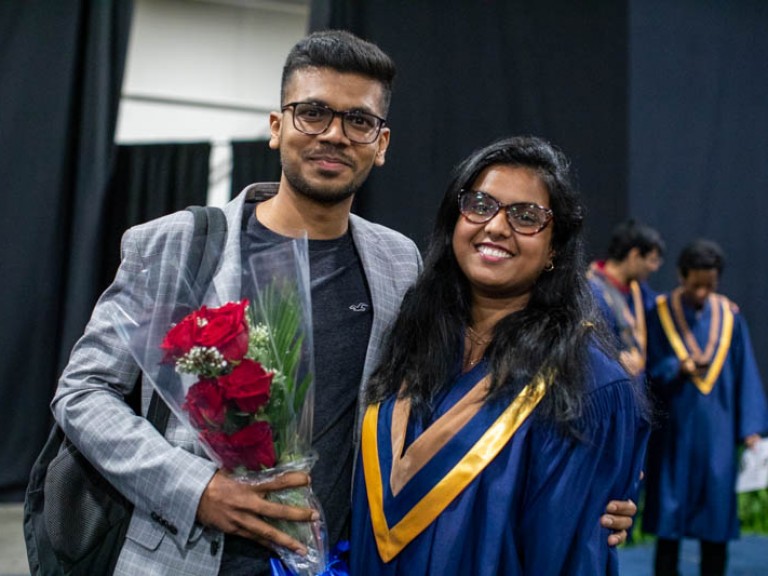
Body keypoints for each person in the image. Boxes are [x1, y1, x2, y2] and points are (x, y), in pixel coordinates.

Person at [51, 31, 637, 575]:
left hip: (332, 563)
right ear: (277, 126)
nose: (334, 134)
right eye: (313, 112)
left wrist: (595, 501)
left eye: (358, 120)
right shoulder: (179, 244)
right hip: (182, 558)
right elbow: (82, 393)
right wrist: (196, 488)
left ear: (380, 144)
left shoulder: (397, 262)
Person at [350, 136, 650, 575]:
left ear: (554, 249)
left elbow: (566, 558)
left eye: (526, 217)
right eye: (480, 205)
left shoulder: (585, 384)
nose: (495, 226)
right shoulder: (410, 341)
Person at [643, 239, 768, 576]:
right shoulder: (660, 314)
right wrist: (676, 368)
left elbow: (745, 374)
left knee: (715, 518)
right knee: (670, 522)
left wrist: (752, 429)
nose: (701, 292)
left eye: (709, 285)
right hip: (675, 433)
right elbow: (648, 368)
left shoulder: (730, 316)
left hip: (718, 433)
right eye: (695, 284)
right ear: (681, 276)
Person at [587, 219, 665, 377]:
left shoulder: (638, 290)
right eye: (652, 260)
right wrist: (615, 357)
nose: (654, 268)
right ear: (634, 255)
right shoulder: (591, 290)